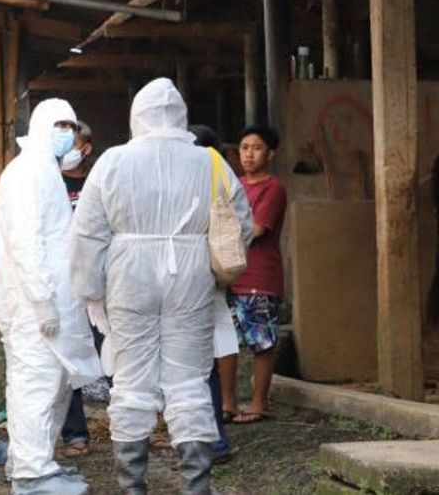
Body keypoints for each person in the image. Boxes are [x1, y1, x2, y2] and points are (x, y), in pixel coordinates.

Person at [70, 79, 251, 495]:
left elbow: (88, 233)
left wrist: (90, 290)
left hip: (128, 272)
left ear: (138, 116)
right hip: (189, 272)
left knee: (132, 378)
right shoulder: (210, 161)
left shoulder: (113, 161)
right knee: (189, 378)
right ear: (181, 115)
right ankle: (196, 484)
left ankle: (133, 485)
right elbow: (239, 223)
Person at [0, 99, 102, 495]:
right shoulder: (26, 173)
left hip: (53, 299)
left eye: (70, 125)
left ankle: (34, 461)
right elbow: (25, 243)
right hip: (33, 304)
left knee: (53, 385)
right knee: (35, 384)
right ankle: (32, 475)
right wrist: (40, 300)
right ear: (39, 125)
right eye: (59, 124)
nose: (66, 132)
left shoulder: (45, 171)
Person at [221, 126, 287, 425]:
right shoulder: (234, 185)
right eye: (245, 147)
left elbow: (257, 230)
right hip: (231, 276)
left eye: (257, 148)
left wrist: (222, 231)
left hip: (260, 275)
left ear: (270, 154)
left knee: (261, 343)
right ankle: (228, 403)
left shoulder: (273, 189)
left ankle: (259, 403)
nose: (249, 153)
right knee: (226, 342)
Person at [189, 124, 237, 464]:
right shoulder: (221, 167)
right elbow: (242, 227)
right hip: (210, 277)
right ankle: (215, 439)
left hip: (170, 279)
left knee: (184, 367)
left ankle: (194, 439)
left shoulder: (169, 167)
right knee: (207, 364)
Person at [58, 121, 104, 458]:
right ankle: (75, 433)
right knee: (67, 359)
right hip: (63, 283)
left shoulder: (99, 181)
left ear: (86, 148)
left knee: (115, 353)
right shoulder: (50, 183)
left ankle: (136, 428)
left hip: (101, 283)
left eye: (72, 143)